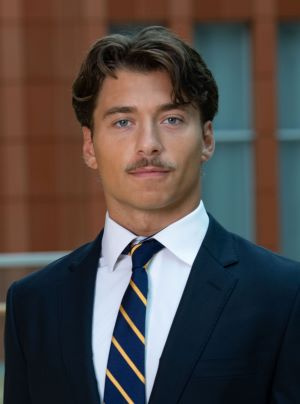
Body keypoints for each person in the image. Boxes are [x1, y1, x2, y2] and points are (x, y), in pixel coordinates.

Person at [4, 26, 300, 404]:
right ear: (90, 146)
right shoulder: (34, 305)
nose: (148, 145)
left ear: (207, 139)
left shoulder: (284, 295)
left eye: (172, 119)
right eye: (122, 122)